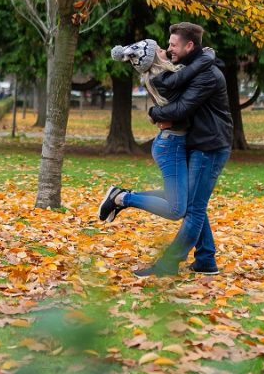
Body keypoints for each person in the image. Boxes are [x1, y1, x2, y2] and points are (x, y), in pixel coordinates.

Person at [137, 23, 234, 277]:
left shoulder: (206, 75)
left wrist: (153, 113)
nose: (169, 49)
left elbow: (181, 108)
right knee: (193, 204)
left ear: (189, 45)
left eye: (173, 45)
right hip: (199, 143)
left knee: (192, 209)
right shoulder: (194, 68)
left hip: (210, 147)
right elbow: (171, 84)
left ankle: (168, 264)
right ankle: (205, 259)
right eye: (168, 45)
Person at [97, 38, 216, 226]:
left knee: (177, 197)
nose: (166, 51)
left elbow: (185, 75)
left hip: (171, 142)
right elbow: (187, 86)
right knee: (176, 209)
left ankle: (121, 195)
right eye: (160, 50)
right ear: (155, 60)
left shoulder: (162, 78)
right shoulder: (162, 80)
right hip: (171, 145)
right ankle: (122, 198)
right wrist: (205, 58)